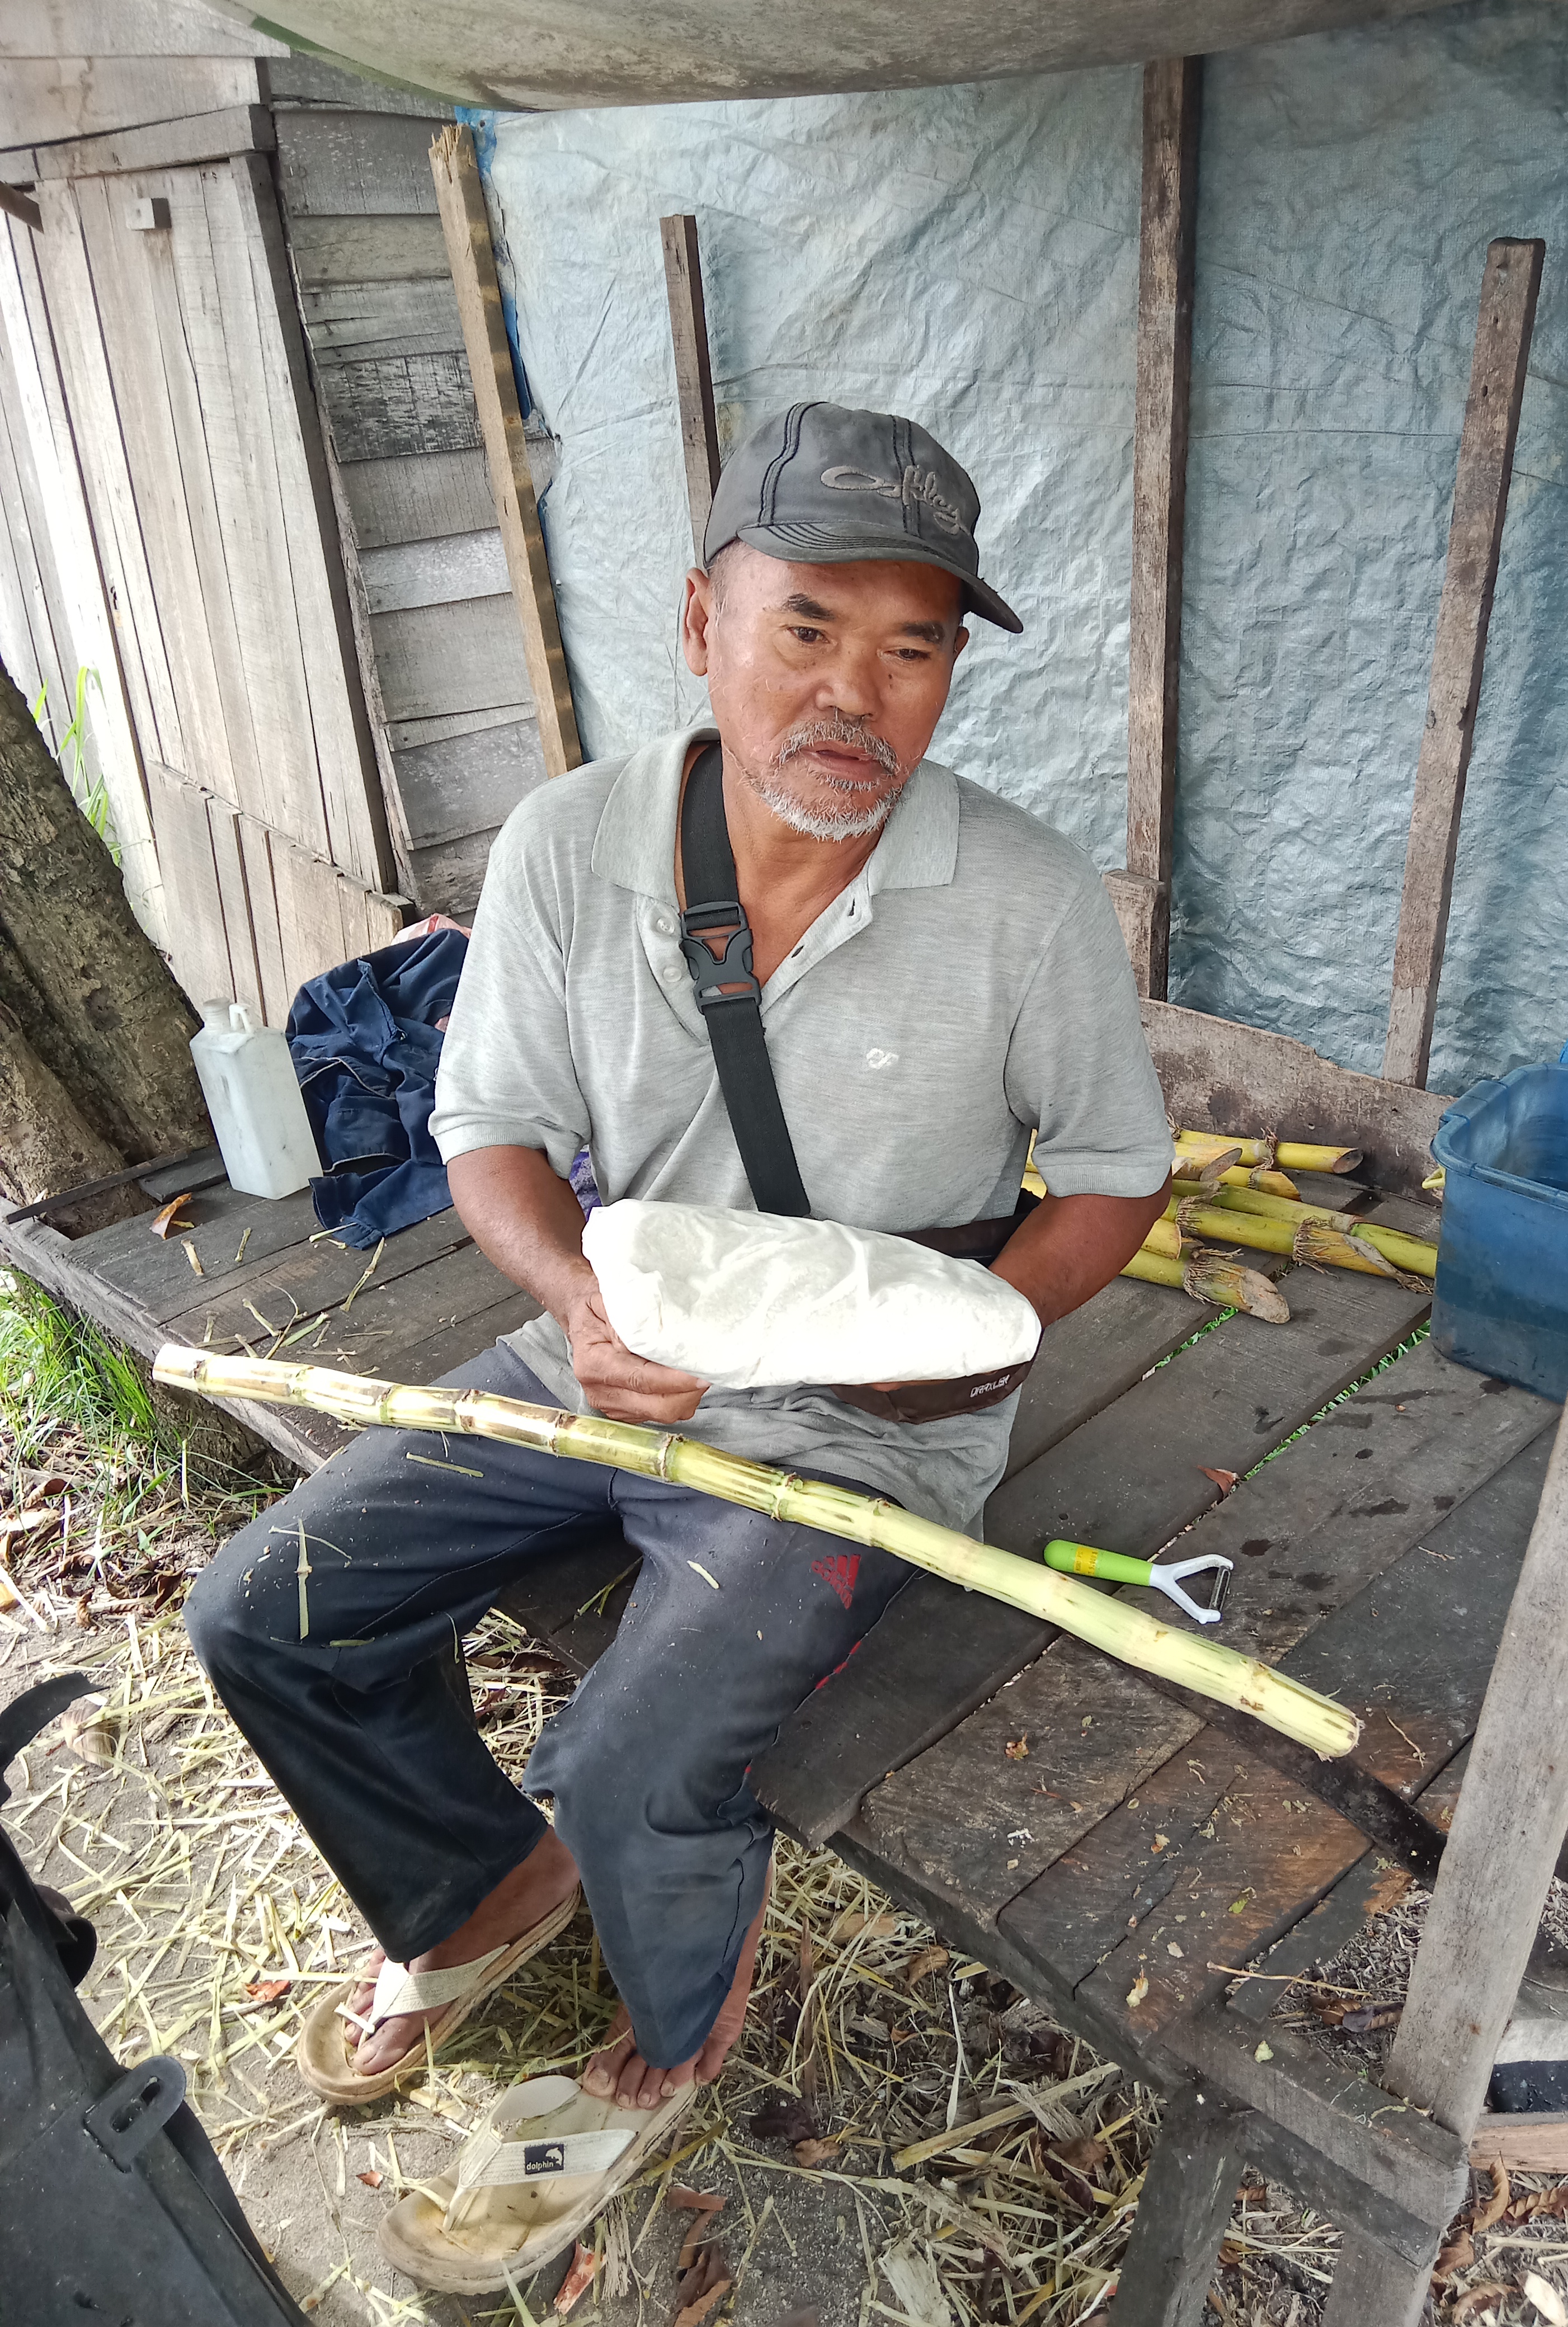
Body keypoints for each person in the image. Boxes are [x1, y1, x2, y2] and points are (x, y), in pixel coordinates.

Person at [185, 402, 1174, 2138]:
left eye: (912, 648)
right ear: (702, 619)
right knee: (267, 1613)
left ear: (951, 671)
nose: (854, 695)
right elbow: (488, 1127)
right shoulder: (570, 843)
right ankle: (476, 1890)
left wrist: (978, 1332)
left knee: (636, 1764)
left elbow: (1113, 1177)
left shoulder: (1023, 899)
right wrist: (581, 1304)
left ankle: (683, 2019)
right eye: (807, 628)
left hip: (862, 1430)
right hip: (609, 1356)